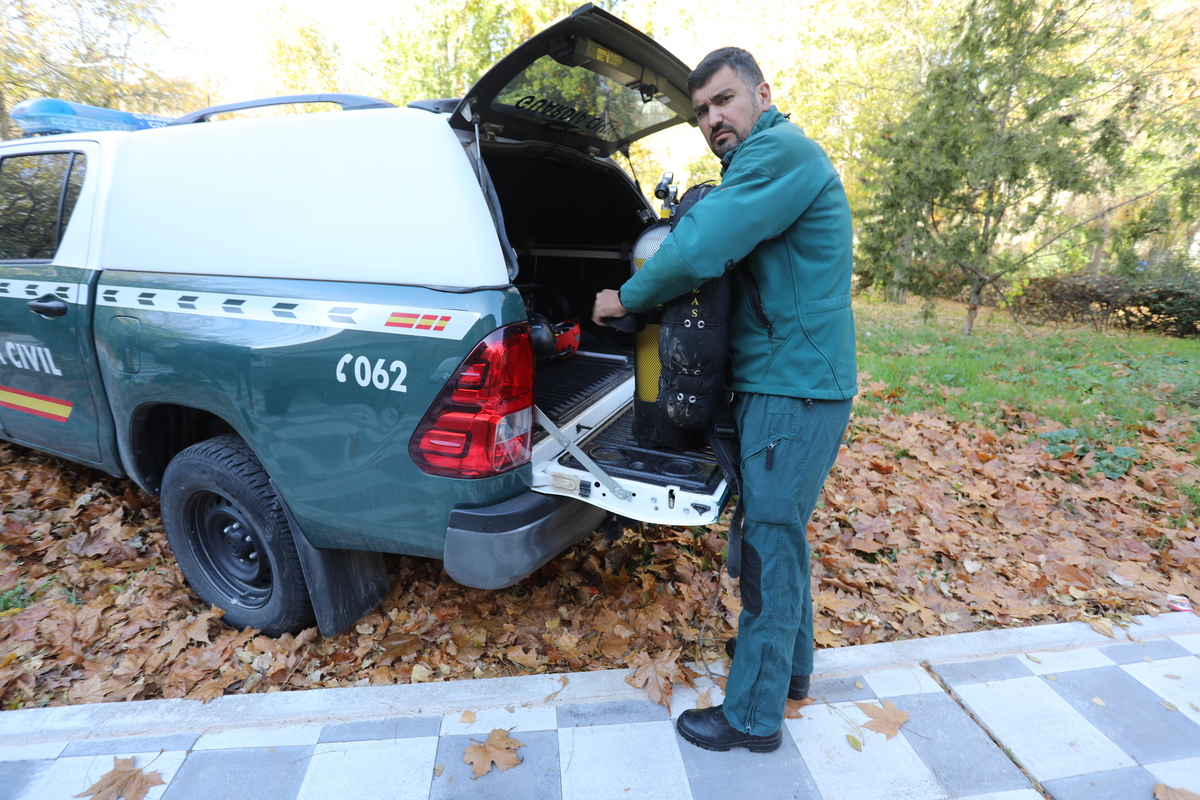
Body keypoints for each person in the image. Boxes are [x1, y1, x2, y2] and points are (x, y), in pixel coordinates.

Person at [592, 47, 857, 753]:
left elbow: (700, 247)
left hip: (792, 390)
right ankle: (788, 674)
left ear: (762, 93)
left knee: (768, 548)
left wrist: (626, 299)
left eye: (724, 100)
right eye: (702, 111)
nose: (713, 118)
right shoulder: (766, 163)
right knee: (780, 537)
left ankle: (752, 717)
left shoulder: (782, 155)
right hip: (795, 385)